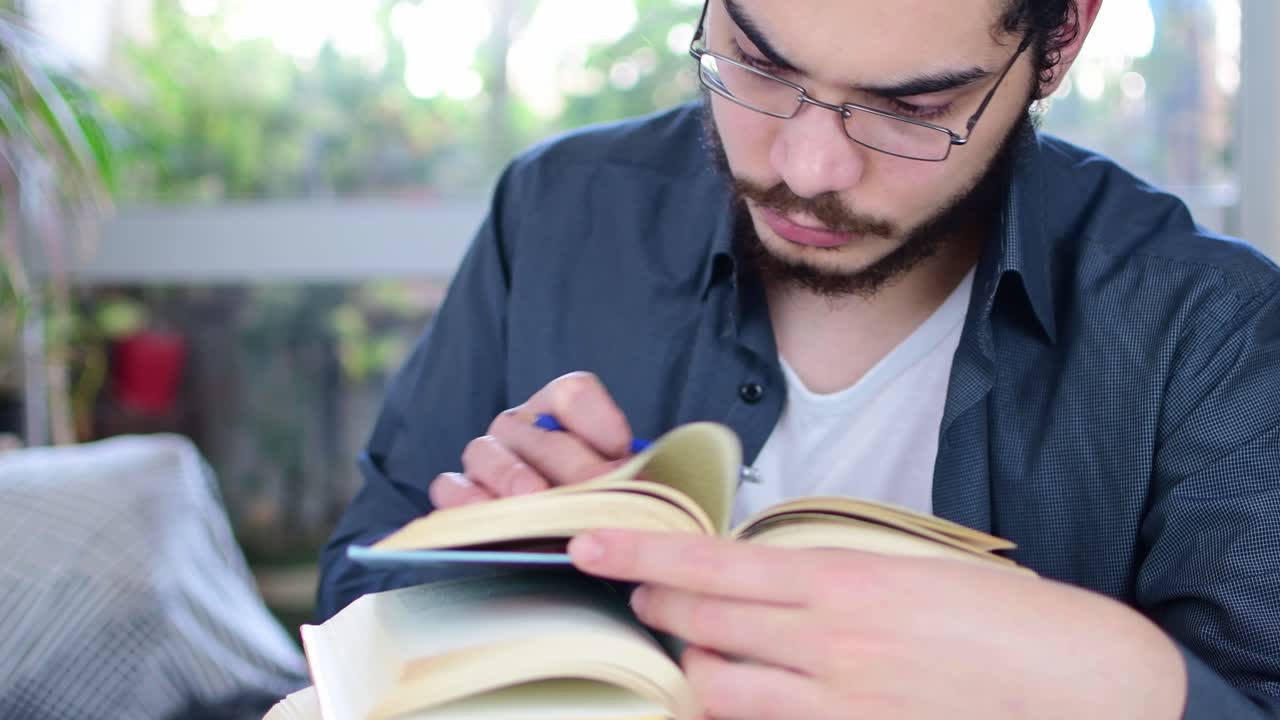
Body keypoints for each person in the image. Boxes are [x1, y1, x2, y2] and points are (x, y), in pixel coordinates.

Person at [317, 0, 1280, 715]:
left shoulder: (1208, 327)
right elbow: (356, 597)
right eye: (758, 66)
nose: (807, 169)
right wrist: (524, 574)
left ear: (1059, 38)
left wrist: (1112, 677)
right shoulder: (559, 212)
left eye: (912, 107)